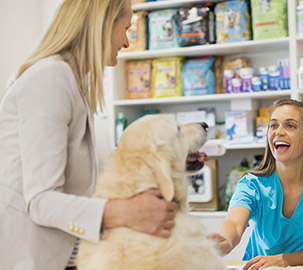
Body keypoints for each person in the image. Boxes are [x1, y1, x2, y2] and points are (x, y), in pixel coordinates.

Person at [0, 1, 179, 269]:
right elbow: (40, 200)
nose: (127, 42)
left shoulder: (72, 83)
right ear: (103, 24)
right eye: (126, 28)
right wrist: (124, 213)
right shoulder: (50, 78)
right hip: (29, 257)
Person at [209, 98, 303, 270]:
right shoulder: (252, 184)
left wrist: (285, 260)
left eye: (290, 126)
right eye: (273, 126)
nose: (278, 132)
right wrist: (226, 240)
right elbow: (234, 223)